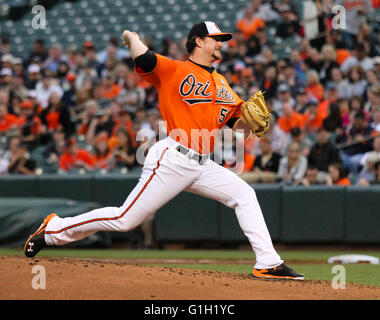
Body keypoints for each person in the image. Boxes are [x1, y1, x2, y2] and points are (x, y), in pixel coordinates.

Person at [24, 21, 303, 280]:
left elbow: (237, 128)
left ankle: (268, 261)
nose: (220, 44)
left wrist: (253, 125)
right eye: (215, 39)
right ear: (197, 41)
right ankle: (54, 229)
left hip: (203, 164)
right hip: (173, 158)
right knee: (125, 219)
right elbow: (144, 59)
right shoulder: (175, 70)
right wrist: (132, 37)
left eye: (221, 40)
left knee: (244, 194)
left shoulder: (222, 84)